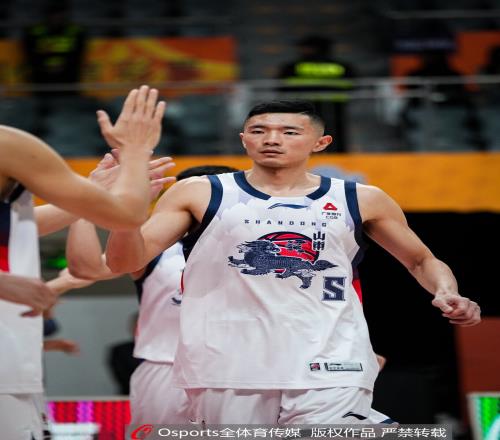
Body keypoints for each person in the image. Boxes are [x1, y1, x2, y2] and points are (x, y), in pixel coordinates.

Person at [104, 100, 480, 424]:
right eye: (259, 130)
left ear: (321, 142)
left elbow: (421, 260)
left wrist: (447, 291)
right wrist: (125, 211)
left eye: (288, 132)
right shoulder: (200, 192)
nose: (272, 139)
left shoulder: (361, 198)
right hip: (227, 364)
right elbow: (125, 261)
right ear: (244, 139)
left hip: (331, 361)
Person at [0, 84, 170, 440]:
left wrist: (88, 200)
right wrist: (135, 151)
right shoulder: (8, 145)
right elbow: (127, 214)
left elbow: (20, 226)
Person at [63, 163, 238, 423]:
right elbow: (86, 268)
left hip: (241, 370)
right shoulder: (153, 249)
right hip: (165, 370)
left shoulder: (259, 249)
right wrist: (87, 205)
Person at [276, 35, 355, 153]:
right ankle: (337, 155)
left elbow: (282, 86)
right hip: (334, 107)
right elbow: (352, 85)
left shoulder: (294, 67)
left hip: (304, 108)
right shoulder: (341, 66)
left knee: (303, 133)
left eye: (305, 47)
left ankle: (305, 155)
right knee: (335, 134)